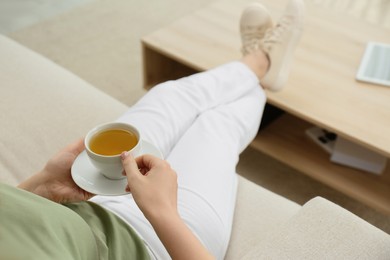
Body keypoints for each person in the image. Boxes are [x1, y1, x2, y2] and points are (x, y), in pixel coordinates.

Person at [0, 0, 304, 259]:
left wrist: (40, 187)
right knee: (214, 123)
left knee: (167, 95)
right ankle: (262, 66)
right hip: (157, 243)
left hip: (90, 204)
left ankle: (256, 63)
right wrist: (163, 213)